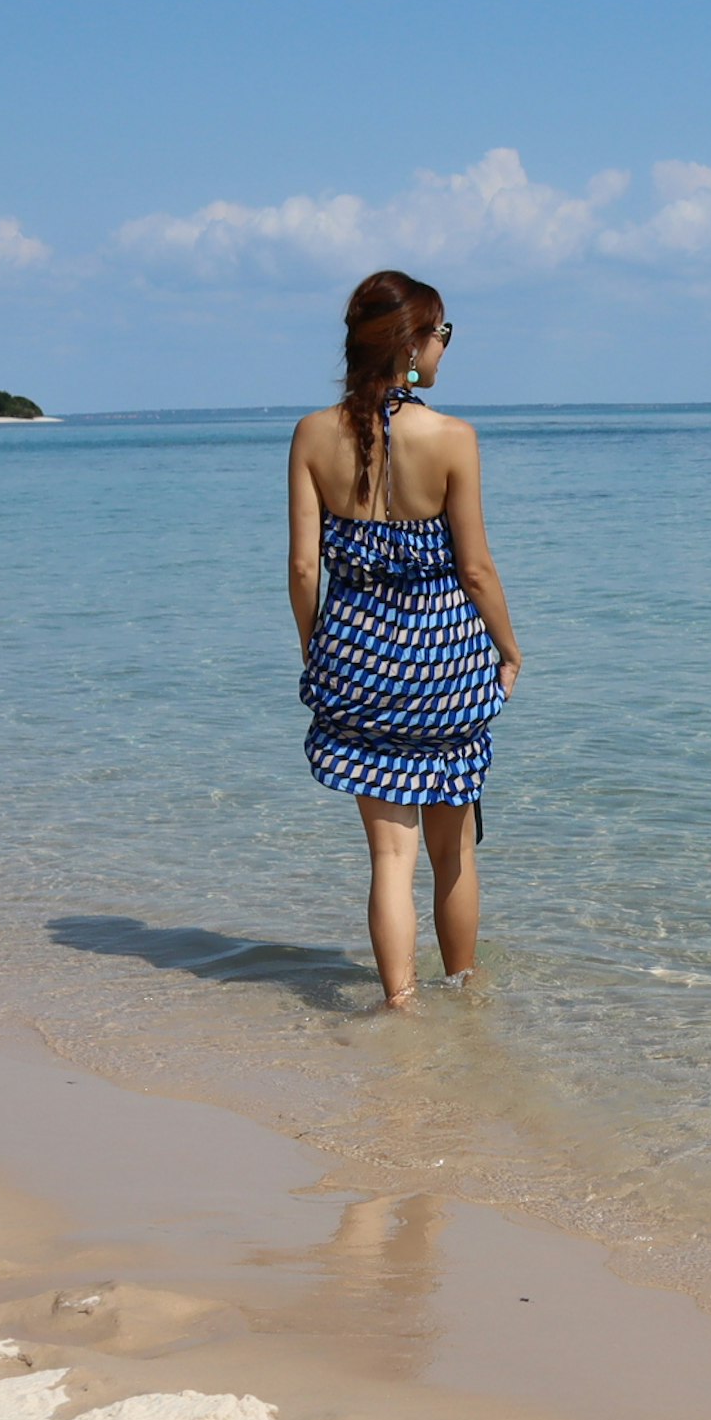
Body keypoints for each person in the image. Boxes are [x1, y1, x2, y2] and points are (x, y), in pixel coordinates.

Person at [287, 271, 521, 1007]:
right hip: (445, 662)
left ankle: (400, 1006)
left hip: (355, 659)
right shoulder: (452, 438)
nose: (445, 348)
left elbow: (301, 567)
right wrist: (510, 651)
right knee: (451, 851)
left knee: (391, 855)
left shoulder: (311, 435)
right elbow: (477, 569)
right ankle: (464, 994)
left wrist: (315, 651)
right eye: (441, 333)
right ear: (412, 345)